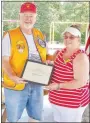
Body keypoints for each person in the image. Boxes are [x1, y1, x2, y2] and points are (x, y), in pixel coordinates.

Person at [2, 2, 47, 122]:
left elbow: (42, 57)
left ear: (35, 17)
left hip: (37, 83)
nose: (28, 19)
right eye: (25, 15)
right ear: (19, 16)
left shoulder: (39, 34)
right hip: (16, 84)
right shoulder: (10, 35)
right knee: (13, 118)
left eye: (31, 15)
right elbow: (4, 60)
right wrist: (12, 76)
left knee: (36, 117)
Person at [46, 25, 89, 122]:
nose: (67, 39)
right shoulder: (61, 52)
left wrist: (58, 86)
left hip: (72, 103)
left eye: (71, 37)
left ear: (78, 39)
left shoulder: (81, 57)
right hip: (56, 100)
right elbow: (60, 69)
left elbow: (80, 82)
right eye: (65, 37)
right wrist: (49, 66)